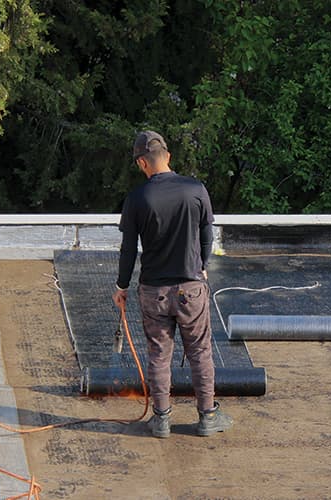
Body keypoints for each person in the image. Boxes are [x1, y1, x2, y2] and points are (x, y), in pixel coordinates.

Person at [111, 130, 233, 438]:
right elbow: (208, 233)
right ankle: (207, 417)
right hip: (191, 288)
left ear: (142, 163)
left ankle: (161, 420)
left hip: (154, 292)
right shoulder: (195, 189)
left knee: (159, 354)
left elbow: (128, 249)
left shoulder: (137, 199)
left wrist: (121, 286)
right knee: (200, 352)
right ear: (168, 156)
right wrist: (202, 267)